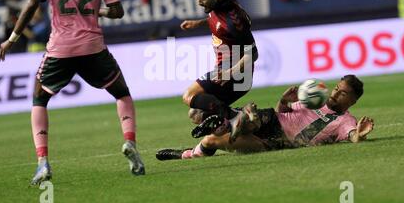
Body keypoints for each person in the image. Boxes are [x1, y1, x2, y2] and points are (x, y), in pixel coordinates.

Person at [0, 0, 145, 184]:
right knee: (121, 94)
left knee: (39, 98)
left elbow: (33, 3)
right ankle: (130, 142)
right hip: (93, 47)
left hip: (61, 48)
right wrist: (94, 10)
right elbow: (118, 11)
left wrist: (12, 38)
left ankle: (42, 162)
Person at [156, 75, 375, 160]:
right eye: (337, 88)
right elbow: (283, 112)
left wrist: (361, 134)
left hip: (278, 142)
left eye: (342, 93)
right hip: (273, 120)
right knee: (250, 118)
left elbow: (353, 136)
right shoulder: (314, 99)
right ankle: (230, 121)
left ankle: (186, 154)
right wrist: (284, 101)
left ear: (352, 101)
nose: (335, 93)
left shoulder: (345, 120)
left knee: (210, 141)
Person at [180, 0, 258, 140]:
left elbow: (253, 53)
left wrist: (230, 72)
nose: (199, 2)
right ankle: (246, 121)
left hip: (236, 75)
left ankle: (234, 116)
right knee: (196, 114)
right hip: (228, 72)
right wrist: (198, 23)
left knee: (189, 95)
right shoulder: (219, 3)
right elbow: (215, 21)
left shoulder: (233, 21)